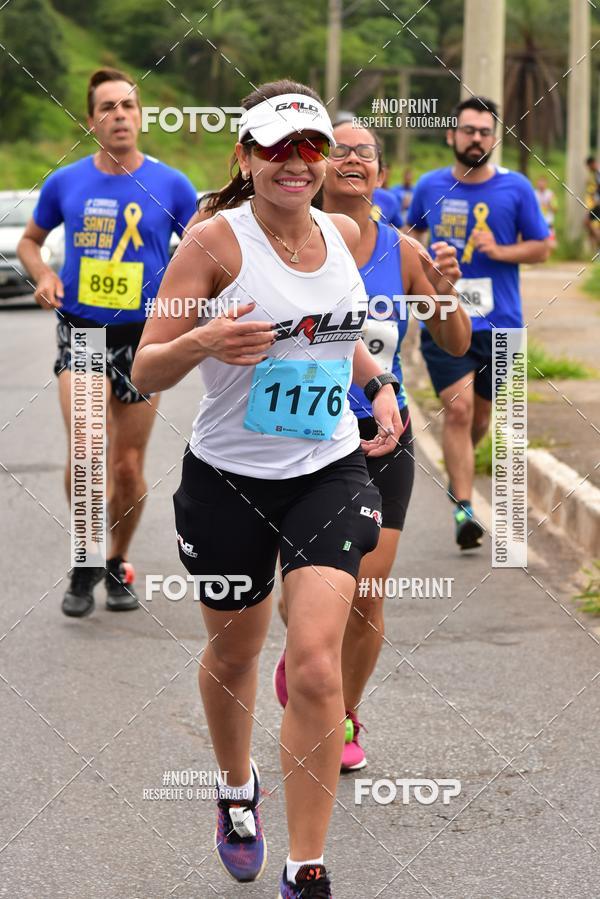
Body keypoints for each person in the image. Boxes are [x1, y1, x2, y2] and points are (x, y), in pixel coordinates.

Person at [132, 79, 404, 899]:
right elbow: (145, 366)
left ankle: (307, 866)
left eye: (311, 147)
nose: (296, 163)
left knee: (317, 665)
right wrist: (208, 335)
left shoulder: (345, 231)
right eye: (276, 148)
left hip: (327, 468)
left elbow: (337, 329)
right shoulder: (214, 243)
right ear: (246, 157)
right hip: (227, 480)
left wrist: (379, 381)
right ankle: (236, 786)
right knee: (236, 653)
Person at [272, 122, 471, 772]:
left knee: (365, 592)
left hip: (383, 439)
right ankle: (306, 650)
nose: (354, 159)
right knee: (296, 596)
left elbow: (457, 340)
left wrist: (444, 290)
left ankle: (343, 711)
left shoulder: (404, 249)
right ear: (320, 167)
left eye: (367, 153)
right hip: (299, 437)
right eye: (342, 150)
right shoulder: (287, 242)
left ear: (382, 174)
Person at [18, 68, 197, 617]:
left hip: (142, 338)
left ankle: (117, 559)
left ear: (140, 117)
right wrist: (43, 277)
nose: (120, 115)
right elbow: (30, 242)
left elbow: (202, 250)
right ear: (90, 120)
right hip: (83, 333)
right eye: (108, 108)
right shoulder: (65, 182)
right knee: (87, 453)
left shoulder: (171, 185)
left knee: (126, 467)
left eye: (129, 106)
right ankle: (85, 556)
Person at [406, 96, 550, 550]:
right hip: (446, 316)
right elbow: (411, 237)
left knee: (480, 416)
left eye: (485, 132)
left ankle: (461, 464)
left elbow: (542, 247)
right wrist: (424, 275)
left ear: (495, 139)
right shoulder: (430, 187)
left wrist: (500, 251)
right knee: (459, 408)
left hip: (502, 325)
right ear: (452, 135)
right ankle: (464, 508)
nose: (476, 139)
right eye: (468, 131)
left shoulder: (517, 188)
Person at [534, 176, 557, 249]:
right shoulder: (533, 194)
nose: (541, 184)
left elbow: (555, 209)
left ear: (546, 183)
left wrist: (549, 205)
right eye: (540, 182)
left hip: (548, 222)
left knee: (551, 243)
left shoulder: (551, 194)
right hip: (537, 221)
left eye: (543, 182)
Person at [584, 156, 600, 251]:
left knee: (587, 222)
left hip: (598, 203)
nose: (588, 169)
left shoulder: (597, 172)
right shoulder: (595, 173)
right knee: (590, 225)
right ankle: (594, 252)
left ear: (592, 164)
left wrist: (594, 193)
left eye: (588, 166)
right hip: (595, 203)